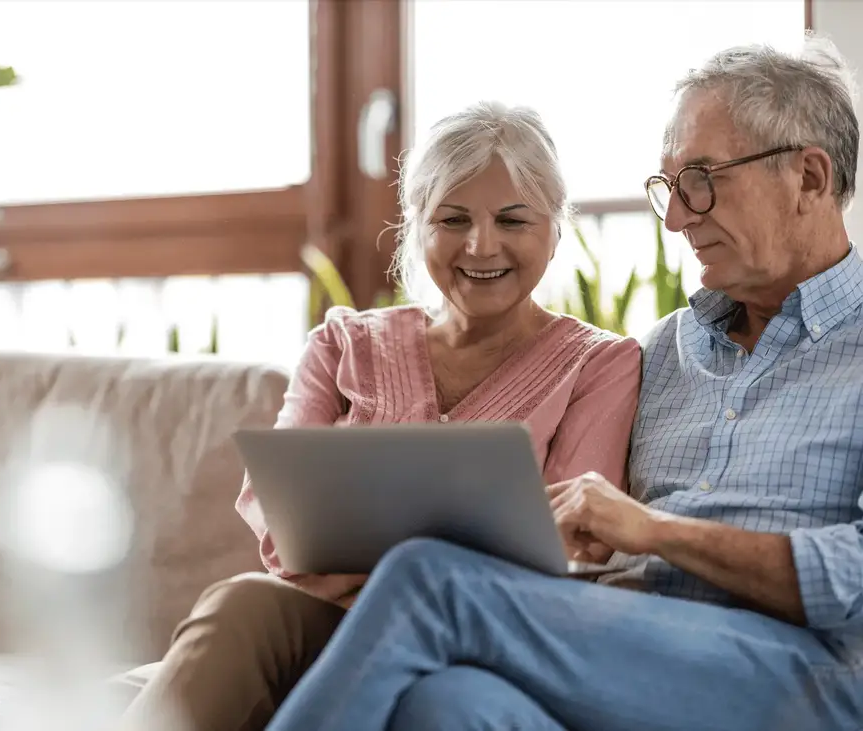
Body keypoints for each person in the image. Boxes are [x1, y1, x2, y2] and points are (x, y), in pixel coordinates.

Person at [260, 35, 863, 731]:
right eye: (668, 186)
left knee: (431, 578)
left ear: (811, 179)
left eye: (701, 179)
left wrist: (655, 530)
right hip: (624, 649)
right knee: (447, 705)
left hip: (803, 676)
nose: (675, 216)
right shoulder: (666, 349)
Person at [119, 101, 642, 731]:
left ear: (555, 231)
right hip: (333, 616)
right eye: (452, 219)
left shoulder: (599, 364)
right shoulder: (343, 343)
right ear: (417, 229)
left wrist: (396, 573)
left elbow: (573, 545)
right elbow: (277, 505)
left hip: (480, 640)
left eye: (513, 220)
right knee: (244, 602)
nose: (481, 245)